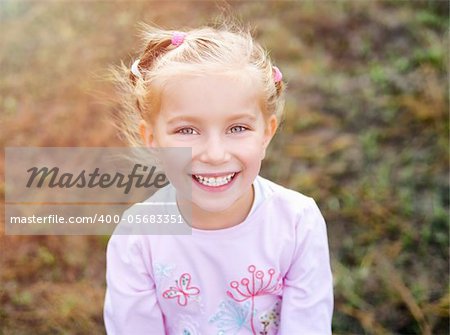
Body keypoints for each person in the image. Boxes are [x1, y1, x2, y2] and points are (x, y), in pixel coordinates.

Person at [104, 23, 333, 335]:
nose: (214, 154)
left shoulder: (296, 222)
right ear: (152, 137)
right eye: (187, 130)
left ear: (267, 132)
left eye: (237, 128)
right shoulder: (138, 239)